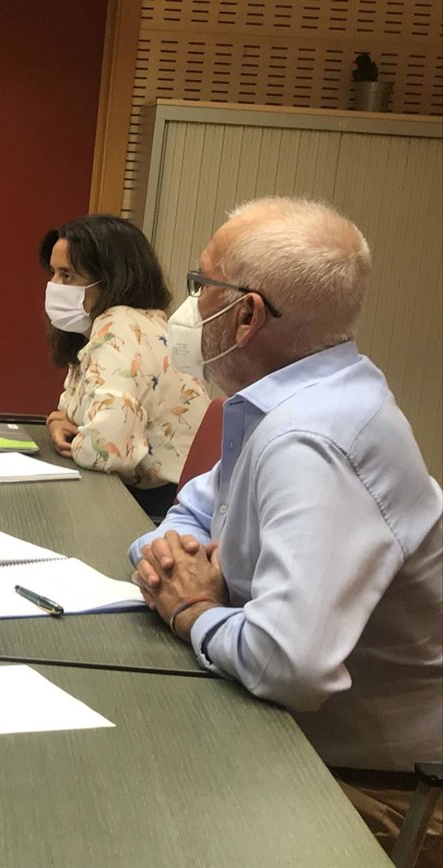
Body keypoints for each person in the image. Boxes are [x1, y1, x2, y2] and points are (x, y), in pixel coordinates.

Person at [129, 197, 442, 862]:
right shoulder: (293, 401)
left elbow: (287, 663)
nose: (189, 305)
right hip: (303, 742)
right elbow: (191, 511)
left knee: (136, 807)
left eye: (202, 283)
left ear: (247, 316)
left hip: (380, 790)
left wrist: (188, 607)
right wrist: (169, 557)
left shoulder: (312, 438)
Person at [40, 214, 210, 518]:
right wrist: (58, 423)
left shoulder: (119, 325)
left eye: (67, 275)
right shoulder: (111, 326)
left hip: (165, 507)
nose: (53, 285)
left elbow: (105, 450)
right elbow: (70, 413)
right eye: (52, 272)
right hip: (147, 494)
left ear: (112, 279)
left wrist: (74, 437)